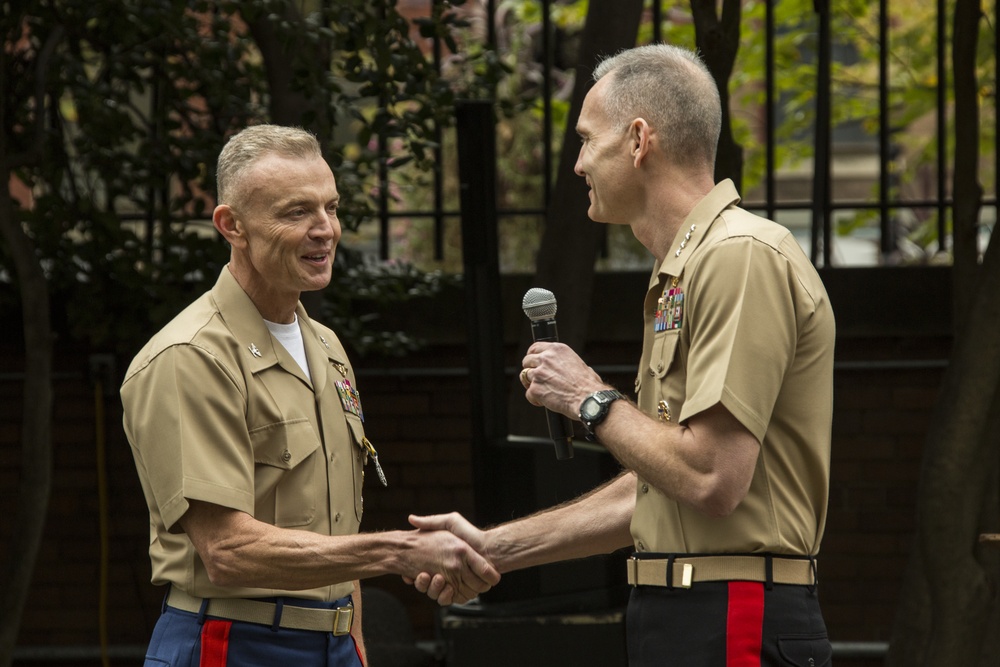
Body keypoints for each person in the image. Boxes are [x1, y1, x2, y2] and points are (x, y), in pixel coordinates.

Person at [408, 44, 836, 666]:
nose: (578, 163)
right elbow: (662, 484)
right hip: (685, 614)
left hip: (733, 612)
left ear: (638, 140)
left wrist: (588, 398)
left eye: (585, 140)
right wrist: (494, 548)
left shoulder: (738, 255)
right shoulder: (684, 270)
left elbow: (711, 477)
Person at [121, 124, 500, 666]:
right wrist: (397, 551)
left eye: (331, 207)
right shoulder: (190, 356)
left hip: (335, 644)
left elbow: (333, 535)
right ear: (233, 226)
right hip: (232, 645)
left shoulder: (325, 346)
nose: (325, 229)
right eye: (296, 212)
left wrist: (357, 646)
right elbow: (227, 552)